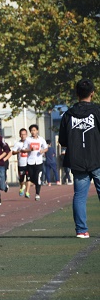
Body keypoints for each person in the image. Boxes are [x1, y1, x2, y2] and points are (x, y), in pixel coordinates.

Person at [58, 78, 100, 239]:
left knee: (80, 196)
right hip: (97, 158)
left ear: (76, 93)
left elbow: (62, 141)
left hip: (77, 160)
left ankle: (81, 230)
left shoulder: (68, 114)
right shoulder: (97, 111)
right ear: (92, 93)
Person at [22, 124, 48, 200]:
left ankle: (37, 194)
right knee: (31, 178)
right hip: (30, 162)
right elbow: (23, 149)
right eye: (31, 131)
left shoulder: (41, 139)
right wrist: (30, 149)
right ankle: (28, 187)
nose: (33, 132)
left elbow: (46, 148)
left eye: (34, 130)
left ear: (37, 131)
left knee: (38, 178)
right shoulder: (28, 140)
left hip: (39, 162)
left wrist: (43, 151)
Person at [12, 128, 29, 196]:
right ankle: (22, 187)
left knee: (28, 178)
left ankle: (27, 192)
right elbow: (13, 152)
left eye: (24, 134)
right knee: (21, 179)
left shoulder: (29, 142)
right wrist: (19, 151)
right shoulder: (18, 144)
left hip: (29, 163)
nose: (23, 136)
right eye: (21, 134)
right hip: (21, 164)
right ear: (19, 135)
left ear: (26, 135)